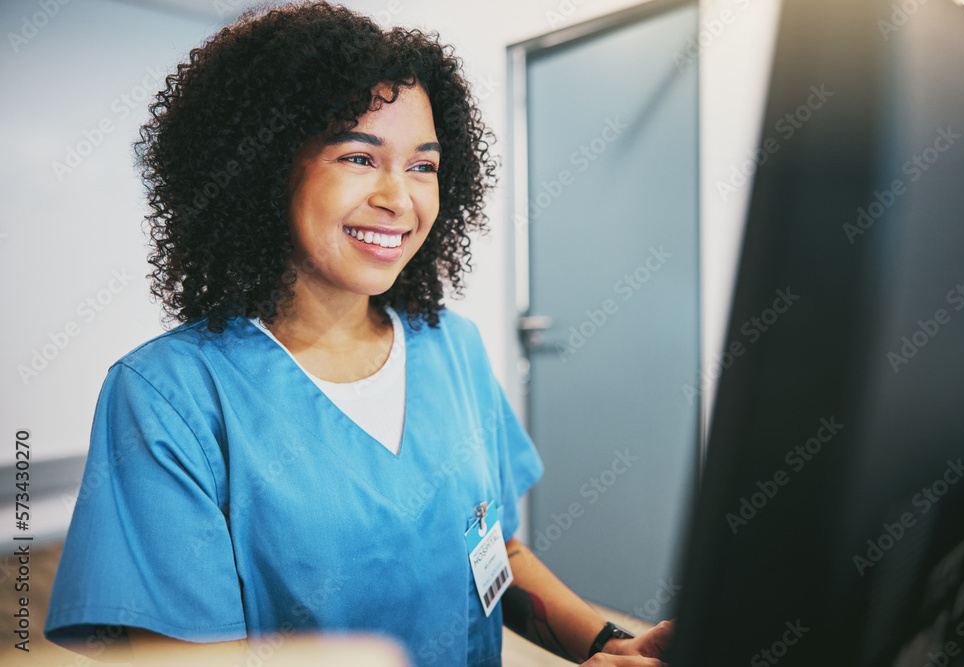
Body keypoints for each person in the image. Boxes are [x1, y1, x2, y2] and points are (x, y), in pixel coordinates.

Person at [43, 3, 673, 666]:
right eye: (358, 156)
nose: (400, 198)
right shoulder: (169, 396)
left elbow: (491, 550)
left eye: (424, 166)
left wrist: (609, 646)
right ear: (265, 168)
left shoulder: (451, 346)